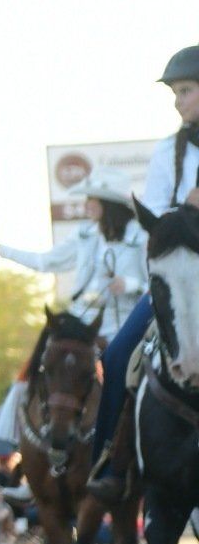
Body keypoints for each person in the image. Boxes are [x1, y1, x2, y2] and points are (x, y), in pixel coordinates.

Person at [92, 45, 199, 461]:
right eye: (175, 94)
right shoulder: (163, 152)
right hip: (175, 282)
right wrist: (187, 213)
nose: (178, 102)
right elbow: (153, 220)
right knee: (117, 355)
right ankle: (110, 462)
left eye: (185, 91)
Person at [0, 180, 144, 341]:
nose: (87, 205)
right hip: (81, 317)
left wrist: (130, 284)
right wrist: (2, 248)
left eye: (91, 198)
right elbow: (46, 261)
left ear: (108, 203)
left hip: (122, 323)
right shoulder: (84, 235)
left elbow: (156, 282)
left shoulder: (140, 236)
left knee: (122, 360)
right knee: (49, 345)